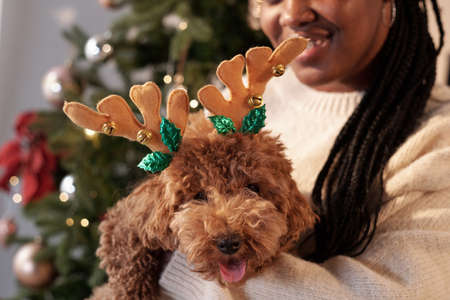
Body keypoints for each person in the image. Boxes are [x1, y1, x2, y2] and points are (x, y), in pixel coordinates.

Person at [158, 0, 450, 298]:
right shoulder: (245, 97)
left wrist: (182, 269)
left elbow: (399, 293)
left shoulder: (439, 138)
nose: (292, 14)